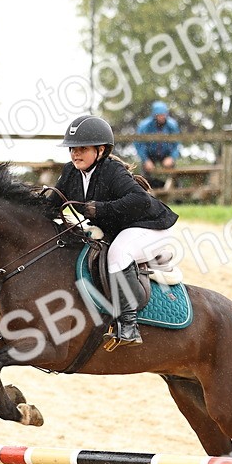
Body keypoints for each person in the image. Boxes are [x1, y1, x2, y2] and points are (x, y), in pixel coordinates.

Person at [51, 115, 178, 349]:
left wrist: (100, 209)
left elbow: (139, 199)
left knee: (117, 254)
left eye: (82, 148)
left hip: (150, 227)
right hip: (121, 228)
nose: (75, 154)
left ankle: (129, 326)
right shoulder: (71, 172)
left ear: (101, 150)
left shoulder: (112, 171)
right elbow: (51, 204)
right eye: (72, 149)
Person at [135, 101, 181, 177]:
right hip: (149, 155)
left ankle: (176, 187)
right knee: (143, 178)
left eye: (164, 114)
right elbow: (139, 144)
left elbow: (176, 144)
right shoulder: (144, 126)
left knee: (174, 176)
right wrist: (145, 160)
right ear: (154, 115)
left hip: (166, 154)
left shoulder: (172, 125)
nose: (162, 117)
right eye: (159, 115)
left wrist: (172, 157)